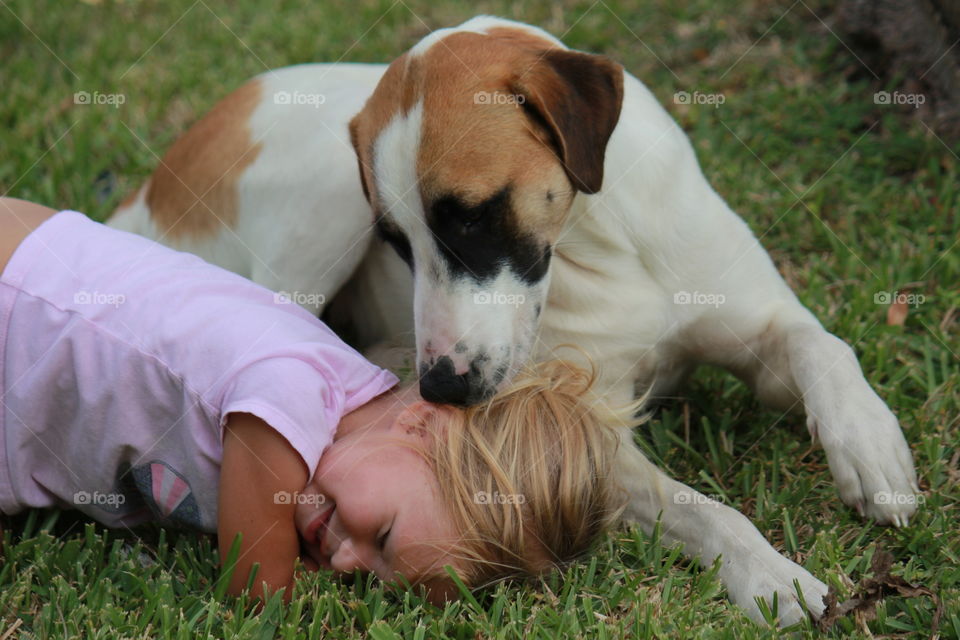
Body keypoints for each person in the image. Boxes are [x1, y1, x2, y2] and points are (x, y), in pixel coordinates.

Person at [0, 197, 638, 604]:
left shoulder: (339, 425)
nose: (341, 560)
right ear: (422, 423)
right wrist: (280, 592)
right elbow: (255, 592)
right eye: (381, 536)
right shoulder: (292, 391)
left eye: (368, 580)